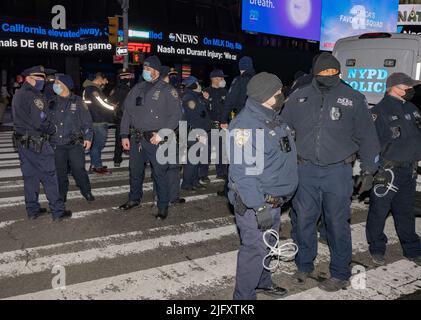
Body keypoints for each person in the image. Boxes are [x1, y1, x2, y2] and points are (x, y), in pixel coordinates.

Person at [282, 53, 381, 292]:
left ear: (338, 72)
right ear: (315, 72)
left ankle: (340, 272)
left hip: (338, 171)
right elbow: (283, 130)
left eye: (332, 72)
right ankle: (304, 264)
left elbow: (368, 136)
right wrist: (281, 163)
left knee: (337, 223)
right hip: (304, 170)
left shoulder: (353, 98)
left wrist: (369, 169)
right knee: (303, 221)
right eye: (323, 72)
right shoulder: (299, 96)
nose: (327, 75)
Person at [228, 72, 298, 300]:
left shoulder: (271, 116)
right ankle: (243, 299)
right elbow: (244, 174)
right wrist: (258, 208)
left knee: (268, 245)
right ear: (265, 96)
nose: (282, 96)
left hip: (273, 201)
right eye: (278, 93)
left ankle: (262, 282)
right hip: (256, 203)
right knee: (254, 250)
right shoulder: (246, 126)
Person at [366, 73, 421, 266]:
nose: (411, 90)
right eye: (408, 86)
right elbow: (371, 144)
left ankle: (412, 249)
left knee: (405, 211)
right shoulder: (380, 111)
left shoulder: (412, 108)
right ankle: (377, 248)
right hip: (388, 171)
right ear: (395, 87)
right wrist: (372, 170)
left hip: (409, 170)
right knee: (379, 211)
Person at [119, 56, 182, 219]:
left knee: (159, 174)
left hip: (156, 139)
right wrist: (124, 134)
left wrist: (162, 133)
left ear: (156, 71)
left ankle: (162, 206)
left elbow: (176, 115)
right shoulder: (137, 88)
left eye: (148, 69)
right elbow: (127, 113)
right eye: (144, 69)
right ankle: (134, 199)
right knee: (135, 171)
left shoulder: (168, 90)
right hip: (136, 138)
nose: (145, 72)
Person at [12, 66, 72, 221]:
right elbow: (40, 122)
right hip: (37, 142)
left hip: (22, 142)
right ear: (28, 78)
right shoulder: (34, 96)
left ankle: (32, 209)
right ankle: (58, 211)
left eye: (42, 79)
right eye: (37, 78)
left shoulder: (18, 94)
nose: (41, 81)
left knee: (30, 177)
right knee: (50, 176)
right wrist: (53, 128)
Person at [48, 73, 95, 203]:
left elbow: (87, 121)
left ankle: (86, 191)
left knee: (78, 169)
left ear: (66, 85)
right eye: (55, 83)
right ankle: (62, 194)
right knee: (60, 171)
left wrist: (88, 137)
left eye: (58, 83)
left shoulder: (78, 101)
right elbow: (45, 119)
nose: (55, 85)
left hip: (74, 143)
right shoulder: (51, 101)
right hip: (57, 143)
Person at [181, 76, 212, 191]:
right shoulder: (189, 98)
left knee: (196, 159)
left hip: (200, 131)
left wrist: (206, 100)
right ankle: (186, 183)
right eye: (197, 84)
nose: (200, 86)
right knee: (192, 160)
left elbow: (203, 112)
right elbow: (194, 116)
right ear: (193, 86)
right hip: (195, 132)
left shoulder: (196, 97)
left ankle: (194, 181)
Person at [83, 72, 116, 174]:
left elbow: (100, 102)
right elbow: (101, 103)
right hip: (98, 121)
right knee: (98, 145)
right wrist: (113, 107)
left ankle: (95, 164)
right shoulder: (92, 89)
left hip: (93, 119)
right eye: (105, 79)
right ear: (100, 78)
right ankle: (96, 166)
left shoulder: (89, 89)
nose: (106, 82)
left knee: (95, 145)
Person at [203, 69, 228, 180]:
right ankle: (202, 174)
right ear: (213, 78)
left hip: (222, 126)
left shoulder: (225, 92)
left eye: (223, 78)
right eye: (220, 78)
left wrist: (226, 121)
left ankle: (221, 172)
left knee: (221, 150)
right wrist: (206, 100)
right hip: (210, 126)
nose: (222, 80)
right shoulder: (206, 92)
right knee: (206, 151)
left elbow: (228, 108)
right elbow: (202, 111)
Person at [109, 69, 134, 167]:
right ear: (121, 78)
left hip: (120, 117)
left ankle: (117, 159)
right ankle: (121, 157)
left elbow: (110, 103)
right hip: (125, 117)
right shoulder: (128, 90)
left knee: (119, 138)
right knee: (127, 138)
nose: (128, 78)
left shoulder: (116, 89)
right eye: (126, 76)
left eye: (129, 76)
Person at [222, 56, 255, 128]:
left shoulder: (239, 80)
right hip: (257, 120)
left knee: (239, 139)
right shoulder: (258, 80)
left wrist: (224, 119)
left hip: (241, 119)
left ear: (240, 67)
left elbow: (230, 100)